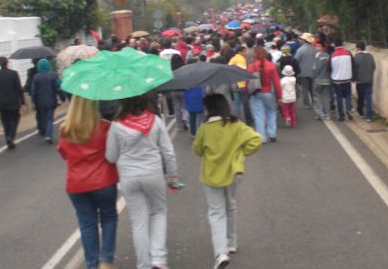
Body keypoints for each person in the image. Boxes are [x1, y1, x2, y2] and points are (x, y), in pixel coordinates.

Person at [105, 94, 178, 269]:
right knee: (158, 212)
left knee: (139, 221)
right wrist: (172, 176)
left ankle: (143, 264)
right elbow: (168, 152)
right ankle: (159, 259)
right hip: (153, 173)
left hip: (129, 176)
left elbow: (111, 156)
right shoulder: (155, 121)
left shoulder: (116, 125)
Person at [193, 94, 262, 269]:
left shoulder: (204, 128)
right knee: (230, 206)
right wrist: (240, 153)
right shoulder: (236, 125)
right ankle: (231, 242)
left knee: (216, 213)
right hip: (233, 172)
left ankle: (220, 252)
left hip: (212, 174)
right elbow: (256, 140)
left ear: (209, 109)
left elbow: (198, 150)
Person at [58, 97, 119, 269]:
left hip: (76, 184)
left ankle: (92, 264)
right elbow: (113, 154)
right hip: (104, 181)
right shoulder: (105, 127)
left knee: (87, 223)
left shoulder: (65, 129)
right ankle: (106, 260)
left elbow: (64, 154)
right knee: (108, 218)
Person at [247, 45, 282, 143]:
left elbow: (247, 82)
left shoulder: (251, 66)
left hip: (256, 93)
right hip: (268, 92)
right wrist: (279, 96)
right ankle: (272, 134)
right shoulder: (271, 65)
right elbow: (276, 82)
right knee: (271, 112)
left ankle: (262, 137)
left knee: (259, 115)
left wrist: (248, 93)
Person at [0, 56, 25, 149]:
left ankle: (7, 137)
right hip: (13, 102)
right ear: (7, 63)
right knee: (15, 119)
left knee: (5, 121)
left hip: (1, 102)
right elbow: (19, 88)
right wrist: (22, 100)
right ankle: (11, 136)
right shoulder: (13, 74)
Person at [31, 58, 62, 144]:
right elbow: (58, 86)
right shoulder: (53, 75)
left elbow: (34, 91)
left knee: (43, 117)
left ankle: (44, 131)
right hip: (51, 100)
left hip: (40, 101)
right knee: (49, 118)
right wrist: (61, 96)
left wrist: (33, 101)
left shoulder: (36, 77)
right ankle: (48, 135)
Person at [228, 46, 253, 126]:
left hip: (233, 83)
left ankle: (235, 121)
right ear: (239, 52)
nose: (245, 53)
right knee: (245, 103)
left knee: (236, 104)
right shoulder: (241, 59)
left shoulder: (232, 59)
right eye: (244, 52)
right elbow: (244, 71)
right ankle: (248, 120)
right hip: (241, 84)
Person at [330, 38, 354, 121]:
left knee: (339, 97)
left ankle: (341, 115)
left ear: (335, 45)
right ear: (342, 44)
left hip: (337, 80)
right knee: (348, 95)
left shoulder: (332, 55)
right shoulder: (348, 53)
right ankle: (349, 108)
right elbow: (353, 65)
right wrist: (353, 76)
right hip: (347, 78)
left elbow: (329, 68)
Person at [353, 41, 376, 122]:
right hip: (369, 80)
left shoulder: (357, 56)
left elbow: (354, 69)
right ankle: (369, 116)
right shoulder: (370, 56)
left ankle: (360, 112)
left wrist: (354, 78)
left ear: (358, 48)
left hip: (360, 81)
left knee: (361, 98)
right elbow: (373, 67)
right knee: (368, 98)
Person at [294, 32, 316, 110]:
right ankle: (314, 102)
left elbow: (296, 60)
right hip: (313, 72)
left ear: (304, 40)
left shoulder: (300, 50)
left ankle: (306, 104)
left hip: (302, 72)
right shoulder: (314, 49)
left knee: (305, 89)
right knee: (312, 88)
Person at [311, 41, 332, 120]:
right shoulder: (327, 55)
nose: (317, 48)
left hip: (318, 79)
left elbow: (315, 68)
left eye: (318, 46)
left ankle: (320, 113)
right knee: (326, 97)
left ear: (322, 47)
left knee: (317, 96)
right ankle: (328, 114)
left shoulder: (317, 56)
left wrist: (313, 77)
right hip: (327, 79)